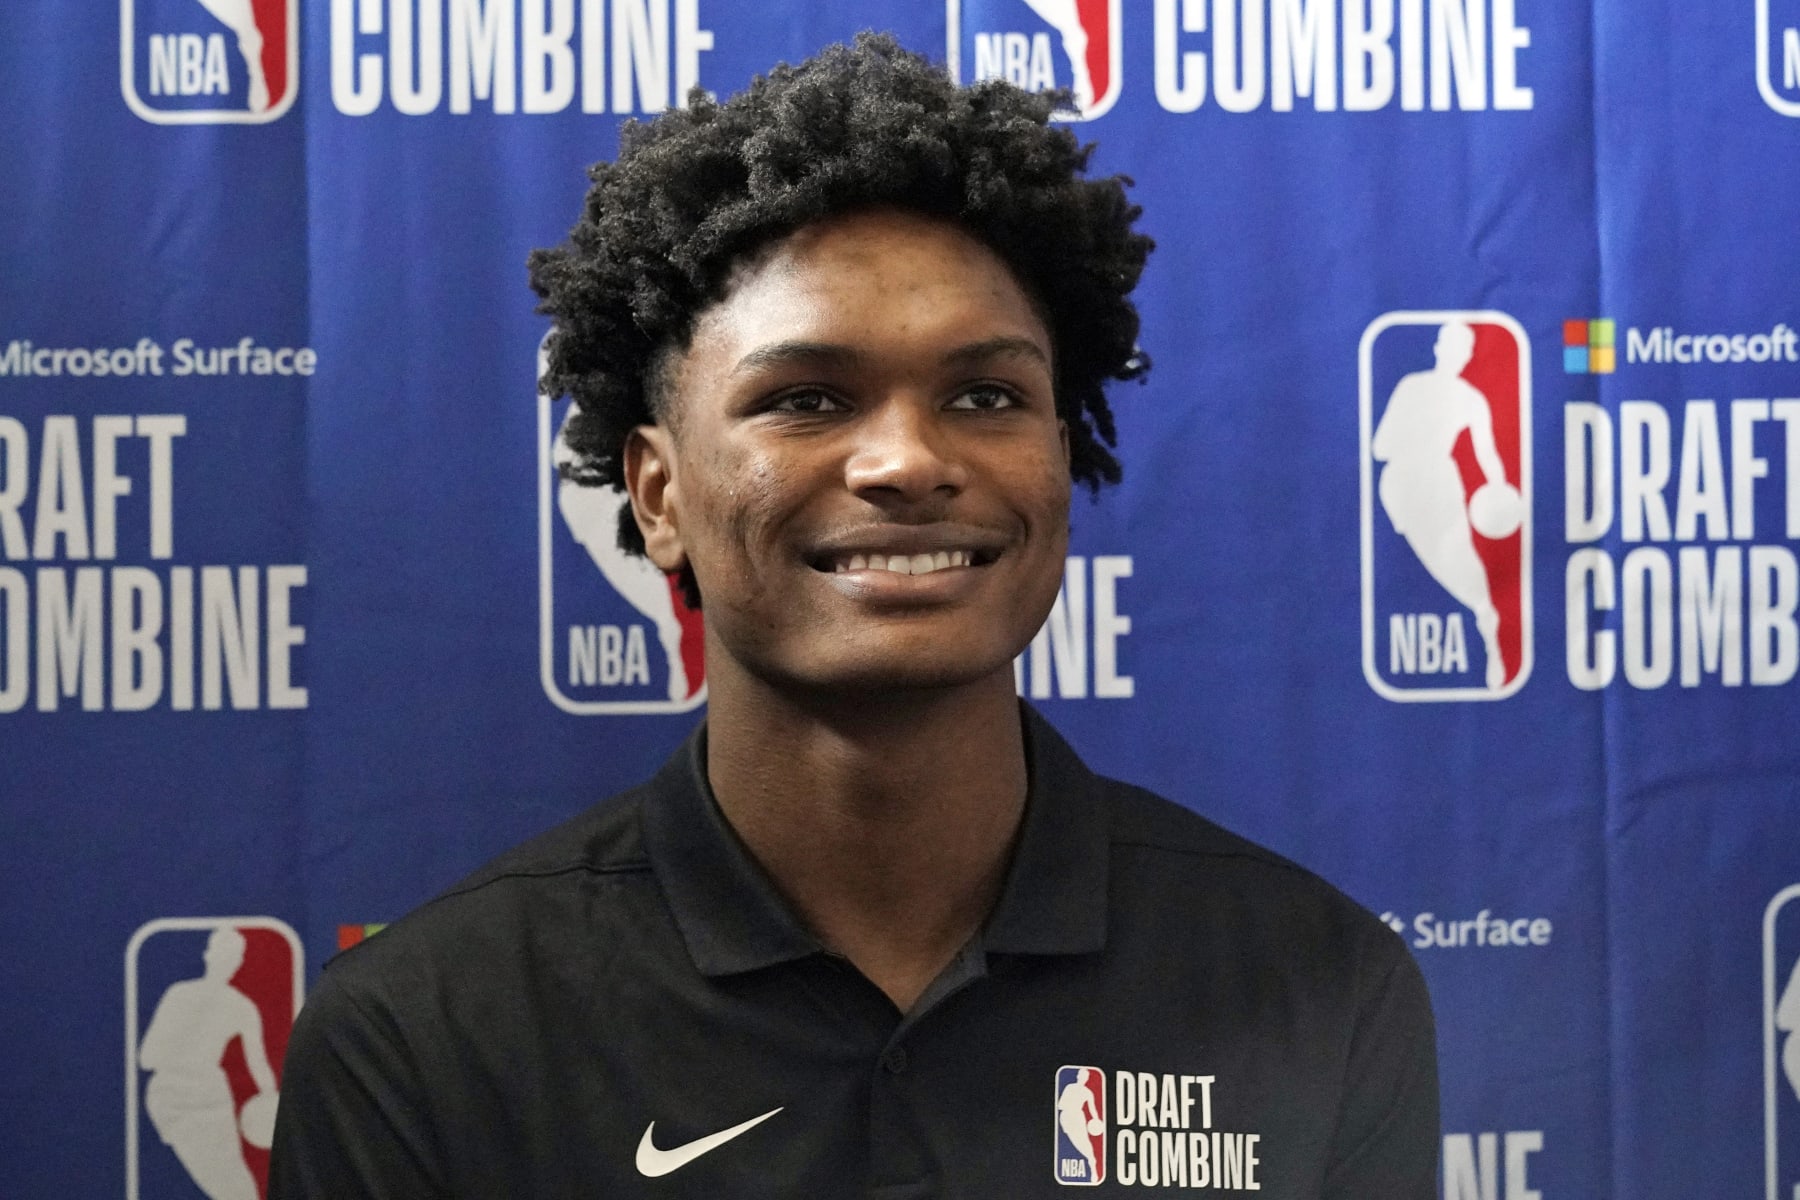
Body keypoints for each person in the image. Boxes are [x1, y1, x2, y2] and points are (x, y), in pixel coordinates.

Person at [270, 34, 1437, 1197]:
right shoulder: (426, 1037)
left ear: (1061, 458)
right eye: (807, 399)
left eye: (985, 395)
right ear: (657, 492)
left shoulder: (1317, 983)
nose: (908, 461)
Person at [1372, 320, 1516, 690]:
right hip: (1400, 485)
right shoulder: (1410, 387)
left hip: (1440, 481)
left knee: (1463, 564)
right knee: (1424, 563)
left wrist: (1499, 489)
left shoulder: (1471, 399)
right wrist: (1415, 439)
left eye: (1465, 349)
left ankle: (1490, 633)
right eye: (1453, 345)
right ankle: (1480, 612)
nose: (1459, 354)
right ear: (1438, 348)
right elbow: (1379, 447)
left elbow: (1488, 454)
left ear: (1469, 357)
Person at [140, 927, 279, 1200]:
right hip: (173, 1097)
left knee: (240, 1190)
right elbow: (147, 1057)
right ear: (209, 955)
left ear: (239, 961)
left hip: (210, 1094)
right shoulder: (179, 995)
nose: (228, 959)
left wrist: (272, 1103)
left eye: (234, 955)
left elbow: (259, 1064)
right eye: (223, 951)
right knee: (230, 1187)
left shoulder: (242, 1007)